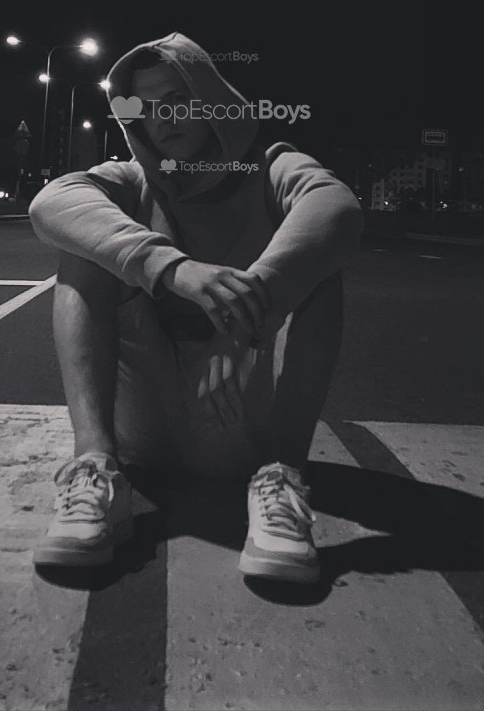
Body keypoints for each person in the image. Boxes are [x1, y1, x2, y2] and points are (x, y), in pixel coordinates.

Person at [28, 32, 363, 583]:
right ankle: (96, 470)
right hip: (144, 426)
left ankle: (281, 478)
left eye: (178, 100)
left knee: (321, 265)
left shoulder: (273, 168)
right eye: (146, 108)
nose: (163, 120)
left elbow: (339, 209)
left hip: (246, 422)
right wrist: (171, 267)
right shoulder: (132, 181)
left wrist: (243, 324)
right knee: (86, 250)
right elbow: (49, 204)